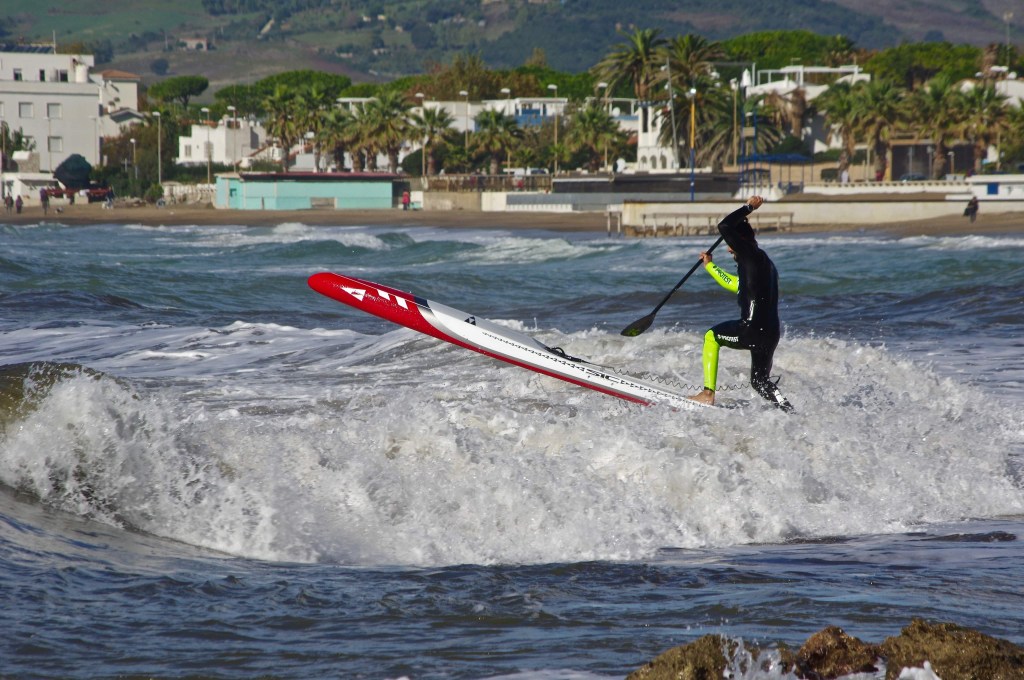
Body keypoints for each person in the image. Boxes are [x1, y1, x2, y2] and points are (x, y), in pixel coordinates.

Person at [689, 195, 792, 412]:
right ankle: (789, 410)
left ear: (740, 242)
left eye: (730, 245)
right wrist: (710, 267)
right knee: (760, 382)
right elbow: (737, 285)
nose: (728, 249)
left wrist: (748, 208)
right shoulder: (766, 265)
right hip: (771, 334)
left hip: (751, 330)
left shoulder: (747, 253)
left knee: (711, 337)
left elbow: (724, 225)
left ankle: (707, 394)